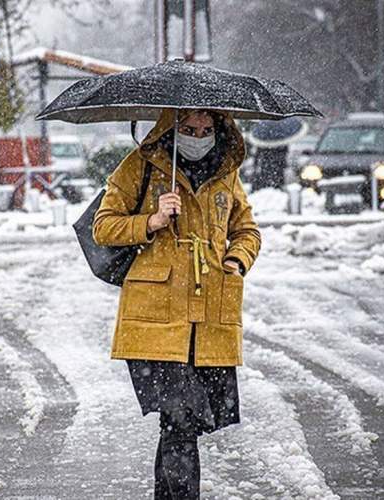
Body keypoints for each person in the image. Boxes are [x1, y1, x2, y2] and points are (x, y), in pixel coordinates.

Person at [92, 108, 262, 499]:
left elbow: (247, 231)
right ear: (172, 128)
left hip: (208, 321)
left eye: (205, 129)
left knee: (182, 423)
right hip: (156, 319)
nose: (198, 136)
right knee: (181, 419)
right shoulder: (142, 166)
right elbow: (103, 227)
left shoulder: (225, 173)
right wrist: (150, 221)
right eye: (188, 129)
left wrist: (236, 260)